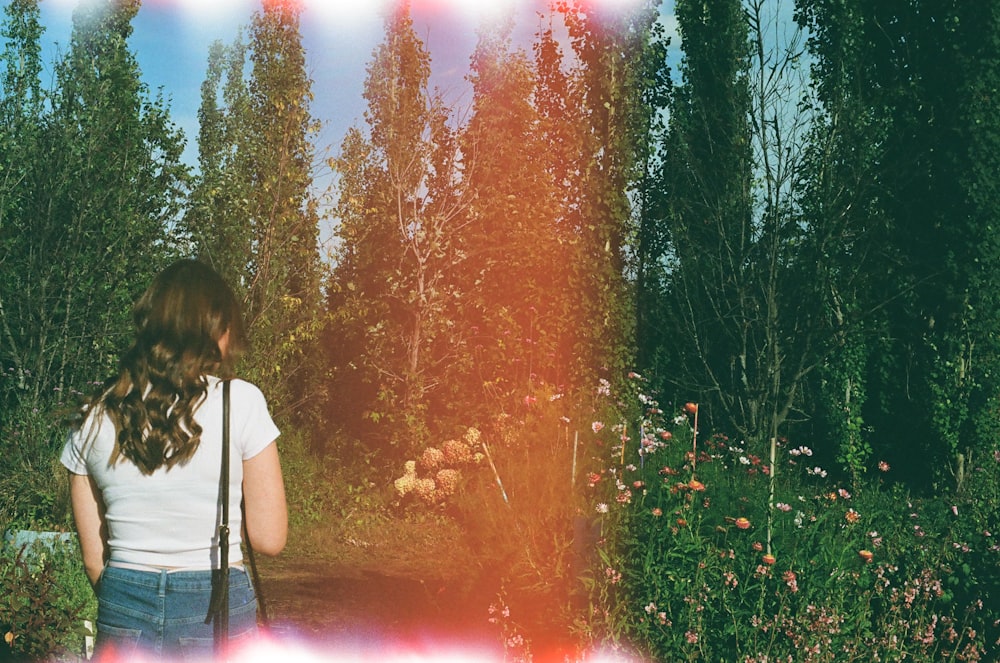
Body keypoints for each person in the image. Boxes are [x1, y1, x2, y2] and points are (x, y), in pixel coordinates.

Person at [61, 259, 287, 660]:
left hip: (123, 601)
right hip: (215, 607)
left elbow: (95, 559)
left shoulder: (94, 415)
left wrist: (136, 598)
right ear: (215, 329)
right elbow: (269, 539)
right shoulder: (241, 401)